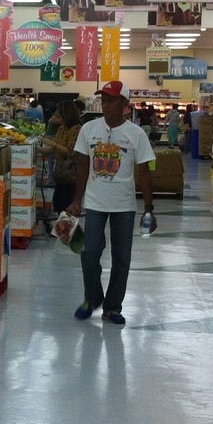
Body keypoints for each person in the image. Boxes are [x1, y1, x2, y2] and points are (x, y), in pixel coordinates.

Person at [68, 82, 156, 326]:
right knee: (89, 252)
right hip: (95, 202)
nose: (105, 105)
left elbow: (144, 172)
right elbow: (83, 166)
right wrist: (77, 200)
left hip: (124, 205)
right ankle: (92, 298)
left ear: (124, 105)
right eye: (103, 100)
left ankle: (113, 307)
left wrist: (149, 209)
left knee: (122, 258)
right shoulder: (89, 129)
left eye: (111, 100)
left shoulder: (136, 134)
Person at [38, 100, 82, 216]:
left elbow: (70, 152)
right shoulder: (62, 128)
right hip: (61, 175)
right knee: (59, 205)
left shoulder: (77, 129)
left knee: (68, 208)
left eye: (59, 114)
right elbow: (52, 149)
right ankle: (62, 226)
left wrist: (53, 144)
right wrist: (36, 149)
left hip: (71, 175)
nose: (57, 116)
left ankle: (69, 227)